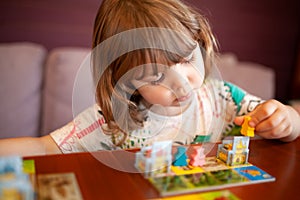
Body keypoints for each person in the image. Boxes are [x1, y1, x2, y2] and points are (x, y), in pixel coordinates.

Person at [0, 0, 299, 156]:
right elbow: (44, 148)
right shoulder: (112, 123)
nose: (180, 83)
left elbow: (285, 123)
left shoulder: (224, 99)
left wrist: (287, 119)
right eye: (156, 77)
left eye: (184, 60)